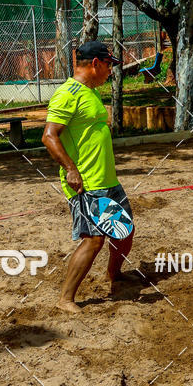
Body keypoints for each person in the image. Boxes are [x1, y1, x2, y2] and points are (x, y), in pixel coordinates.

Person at [42, 41, 135, 314]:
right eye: (109, 65)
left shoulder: (89, 91)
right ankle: (66, 298)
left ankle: (113, 274)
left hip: (107, 180)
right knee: (94, 240)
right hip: (86, 184)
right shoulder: (68, 94)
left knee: (124, 232)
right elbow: (49, 136)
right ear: (95, 63)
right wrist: (71, 169)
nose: (110, 70)